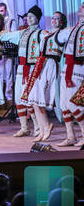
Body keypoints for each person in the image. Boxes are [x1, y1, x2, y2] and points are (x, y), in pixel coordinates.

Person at [0, 5, 45, 137]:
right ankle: (24, 127)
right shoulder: (22, 33)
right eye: (28, 17)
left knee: (30, 99)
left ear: (37, 18)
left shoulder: (41, 33)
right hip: (21, 69)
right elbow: (6, 36)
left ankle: (37, 127)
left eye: (32, 17)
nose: (28, 19)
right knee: (19, 98)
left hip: (32, 69)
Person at [22, 12, 68, 142]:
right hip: (40, 64)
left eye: (57, 19)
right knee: (34, 99)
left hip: (50, 64)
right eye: (53, 18)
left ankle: (46, 126)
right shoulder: (47, 34)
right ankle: (42, 129)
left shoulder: (62, 34)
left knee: (40, 97)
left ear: (62, 22)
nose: (54, 20)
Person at [55, 2, 84, 146]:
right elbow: (59, 38)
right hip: (67, 68)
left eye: (83, 7)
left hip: (78, 68)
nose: (81, 7)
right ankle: (71, 136)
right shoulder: (75, 27)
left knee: (75, 104)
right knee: (64, 104)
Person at [0, 3, 17, 102]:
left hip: (9, 51)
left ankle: (9, 95)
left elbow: (14, 35)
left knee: (9, 74)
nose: (0, 12)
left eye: (2, 10)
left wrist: (5, 35)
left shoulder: (11, 21)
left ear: (6, 11)